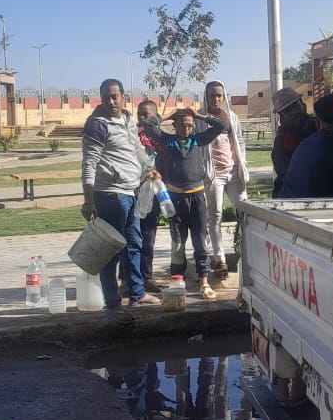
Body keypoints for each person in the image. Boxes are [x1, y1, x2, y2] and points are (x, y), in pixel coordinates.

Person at [80, 78, 161, 311]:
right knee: (112, 249)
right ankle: (112, 302)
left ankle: (137, 293)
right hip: (110, 195)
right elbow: (89, 163)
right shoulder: (97, 124)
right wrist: (88, 199)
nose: (111, 101)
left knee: (134, 244)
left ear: (123, 97)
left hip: (130, 191)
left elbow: (137, 149)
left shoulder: (127, 119)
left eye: (115, 96)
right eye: (106, 97)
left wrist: (149, 169)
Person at [143, 107, 226, 299]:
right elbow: (148, 125)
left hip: (197, 198)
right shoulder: (167, 140)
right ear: (175, 125)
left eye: (189, 125)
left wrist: (200, 116)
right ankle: (177, 281)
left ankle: (204, 282)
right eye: (182, 125)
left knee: (200, 241)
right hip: (176, 199)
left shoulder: (198, 139)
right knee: (178, 243)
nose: (186, 128)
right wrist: (168, 115)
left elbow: (221, 125)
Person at [199, 80, 249, 279]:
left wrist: (242, 163)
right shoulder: (200, 118)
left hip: (233, 172)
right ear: (206, 96)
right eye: (212, 95)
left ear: (224, 96)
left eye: (219, 95)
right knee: (215, 215)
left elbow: (240, 141)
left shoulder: (231, 116)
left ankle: (247, 252)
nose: (216, 99)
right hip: (213, 175)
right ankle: (219, 259)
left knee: (245, 212)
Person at [277, 93, 333, 198]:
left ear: (317, 122)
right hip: (324, 206)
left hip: (293, 204)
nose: (295, 114)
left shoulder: (303, 146)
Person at [136, 99, 164, 292]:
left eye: (147, 114)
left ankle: (147, 278)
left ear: (156, 117)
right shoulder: (133, 135)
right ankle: (128, 280)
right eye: (140, 114)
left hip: (152, 194)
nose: (142, 117)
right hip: (133, 192)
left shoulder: (160, 137)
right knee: (131, 238)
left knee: (148, 238)